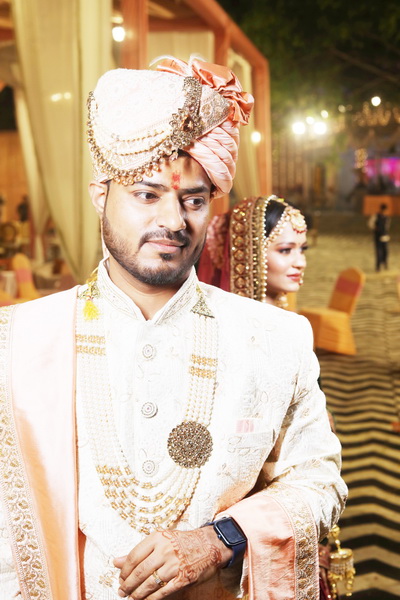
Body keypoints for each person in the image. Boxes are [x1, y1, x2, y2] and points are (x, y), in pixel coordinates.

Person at [0, 57, 346, 600]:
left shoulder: (277, 339)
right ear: (100, 194)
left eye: (194, 200)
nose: (173, 221)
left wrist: (222, 539)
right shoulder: (19, 341)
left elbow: (319, 481)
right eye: (147, 194)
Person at [197, 195, 307, 309]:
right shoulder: (231, 318)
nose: (301, 263)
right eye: (285, 250)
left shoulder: (287, 317)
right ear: (247, 253)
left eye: (303, 249)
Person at [371, 202, 390, 271]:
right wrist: (375, 228)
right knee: (379, 252)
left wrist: (386, 234)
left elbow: (387, 227)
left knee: (385, 251)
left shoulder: (386, 217)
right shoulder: (376, 216)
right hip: (378, 236)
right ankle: (378, 266)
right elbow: (370, 224)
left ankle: (385, 264)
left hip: (384, 236)